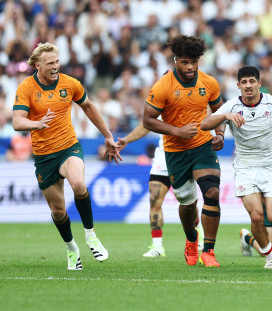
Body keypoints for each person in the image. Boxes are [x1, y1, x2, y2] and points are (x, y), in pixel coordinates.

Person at [12, 42, 121, 270]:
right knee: (58, 210)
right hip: (43, 156)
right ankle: (71, 248)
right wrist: (36, 123)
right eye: (50, 63)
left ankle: (90, 235)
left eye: (57, 61)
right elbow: (17, 121)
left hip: (68, 146)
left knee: (79, 183)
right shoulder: (26, 88)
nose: (55, 66)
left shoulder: (70, 83)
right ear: (37, 65)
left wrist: (108, 136)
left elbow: (89, 107)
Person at [143, 35, 225, 267]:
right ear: (175, 60)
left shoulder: (209, 82)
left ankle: (208, 251)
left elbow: (220, 112)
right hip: (175, 151)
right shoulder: (163, 86)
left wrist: (219, 134)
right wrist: (176, 131)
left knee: (212, 193)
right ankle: (191, 239)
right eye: (185, 62)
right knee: (187, 203)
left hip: (202, 146)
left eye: (194, 62)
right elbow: (148, 120)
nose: (190, 67)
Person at [200, 66, 272, 269]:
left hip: (270, 167)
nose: (248, 86)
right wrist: (225, 117)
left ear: (259, 83)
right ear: (238, 85)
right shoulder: (231, 106)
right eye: (244, 82)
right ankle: (270, 258)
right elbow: (205, 124)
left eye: (252, 81)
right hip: (245, 169)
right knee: (257, 216)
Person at [117, 123, 204, 257]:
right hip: (164, 157)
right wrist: (127, 140)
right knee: (154, 199)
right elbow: (147, 124)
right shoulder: (161, 103)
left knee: (189, 203)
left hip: (186, 156)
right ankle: (157, 246)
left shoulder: (191, 103)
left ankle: (198, 232)